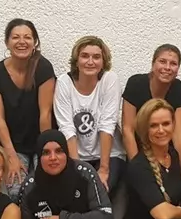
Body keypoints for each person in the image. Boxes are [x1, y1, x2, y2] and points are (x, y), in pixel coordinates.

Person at [0, 19, 56, 200]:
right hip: (13, 145)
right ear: (7, 42)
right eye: (16, 37)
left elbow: (45, 114)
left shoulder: (43, 67)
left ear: (35, 42)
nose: (22, 41)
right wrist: (11, 156)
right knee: (15, 191)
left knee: (45, 188)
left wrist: (45, 152)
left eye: (27, 37)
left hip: (41, 140)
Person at [121, 44, 181, 199]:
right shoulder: (136, 83)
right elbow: (127, 129)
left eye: (173, 63)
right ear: (153, 64)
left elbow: (179, 133)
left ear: (178, 69)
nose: (167, 67)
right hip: (140, 150)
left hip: (166, 153)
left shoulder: (180, 88)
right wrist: (139, 168)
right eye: (162, 61)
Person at [53, 35, 127, 194]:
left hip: (109, 155)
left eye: (96, 57)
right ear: (76, 60)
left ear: (103, 62)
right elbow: (66, 128)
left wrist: (104, 169)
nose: (90, 61)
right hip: (76, 154)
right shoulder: (64, 83)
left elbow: (107, 125)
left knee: (99, 190)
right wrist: (77, 168)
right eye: (85, 56)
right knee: (76, 191)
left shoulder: (109, 80)